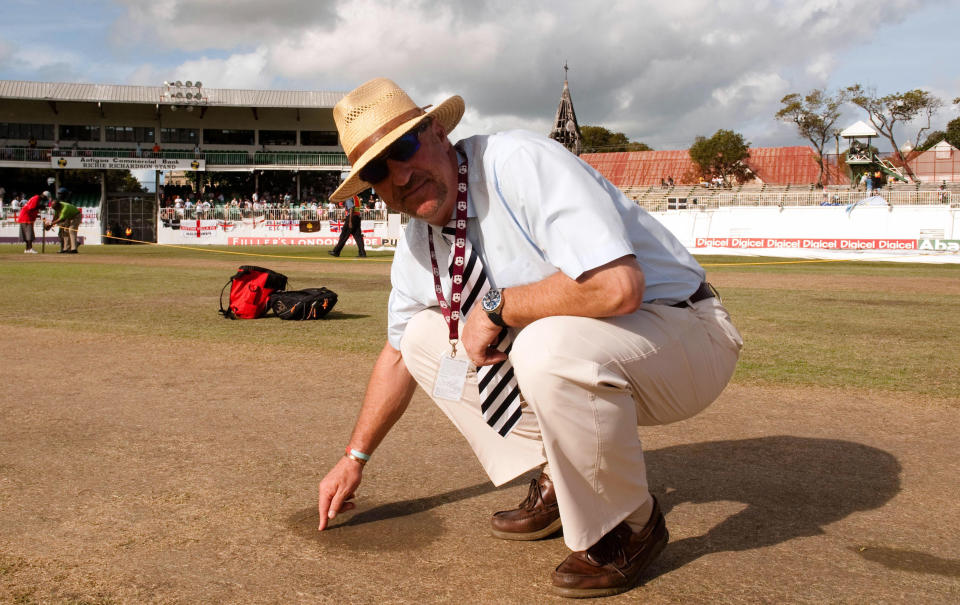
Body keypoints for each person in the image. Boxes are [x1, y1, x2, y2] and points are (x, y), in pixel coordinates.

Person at [315, 78, 742, 598]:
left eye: (403, 148)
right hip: (594, 352)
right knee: (425, 337)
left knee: (544, 345)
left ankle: (631, 525)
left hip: (684, 333)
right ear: (373, 188)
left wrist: (499, 306)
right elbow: (398, 355)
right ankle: (560, 479)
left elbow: (618, 286)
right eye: (379, 171)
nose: (401, 174)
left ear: (437, 133)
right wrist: (354, 458)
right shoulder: (417, 242)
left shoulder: (519, 163)